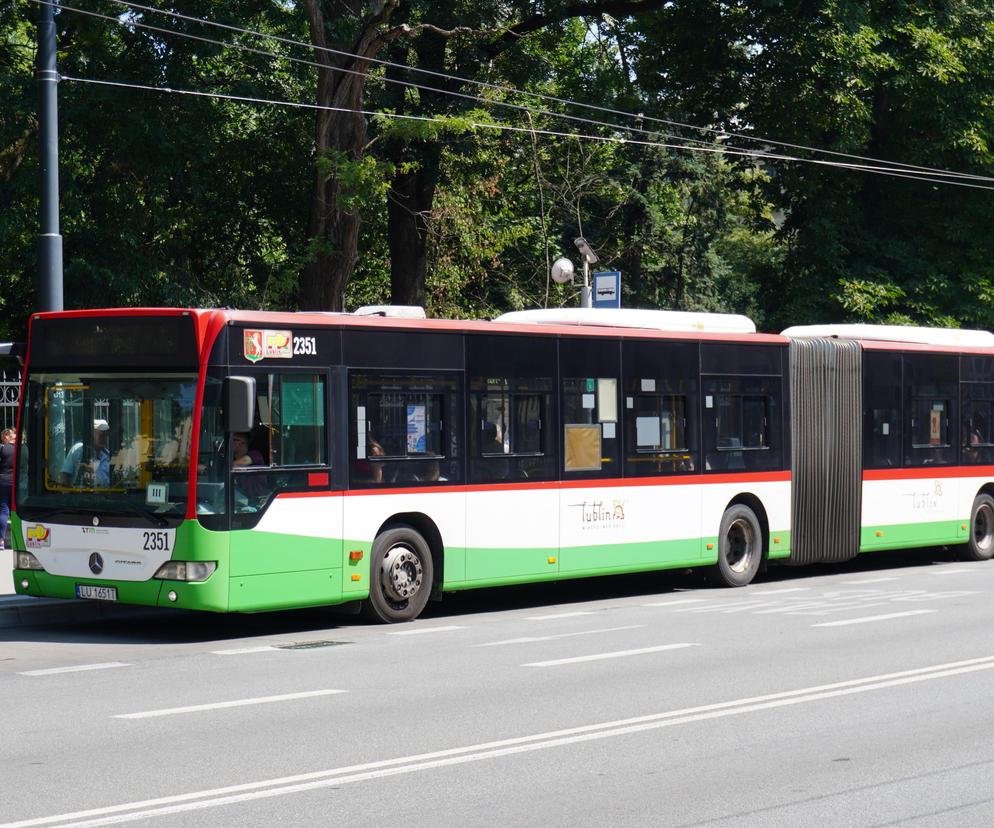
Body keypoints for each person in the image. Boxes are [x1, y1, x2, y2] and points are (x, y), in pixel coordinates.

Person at [61, 419, 111, 487]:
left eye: (106, 435)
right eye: (101, 434)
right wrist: (65, 495)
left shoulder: (109, 455)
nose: (104, 438)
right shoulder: (78, 449)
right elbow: (65, 474)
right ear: (91, 434)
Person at [0, 428, 15, 549]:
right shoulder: (22, 449)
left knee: (4, 511)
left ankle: (1, 541)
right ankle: (17, 540)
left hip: (3, 481)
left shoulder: (2, 448)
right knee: (16, 511)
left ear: (5, 437)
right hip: (17, 483)